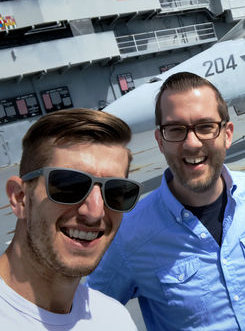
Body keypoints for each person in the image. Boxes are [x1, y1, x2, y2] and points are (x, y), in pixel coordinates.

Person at [88, 72, 245, 330]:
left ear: (227, 134)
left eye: (206, 127)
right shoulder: (130, 233)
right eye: (176, 129)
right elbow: (90, 316)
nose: (192, 143)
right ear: (160, 141)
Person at [0, 108, 141, 330]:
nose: (95, 212)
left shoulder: (115, 319)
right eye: (70, 185)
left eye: (115, 191)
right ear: (20, 198)